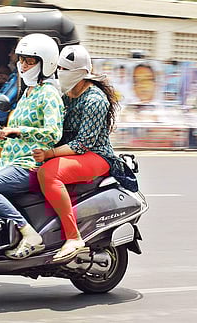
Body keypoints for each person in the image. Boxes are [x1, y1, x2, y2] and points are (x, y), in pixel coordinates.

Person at [0, 33, 64, 260]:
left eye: (29, 61)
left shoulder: (49, 95)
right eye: (21, 59)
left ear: (46, 64)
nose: (22, 65)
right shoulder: (27, 93)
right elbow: (12, 136)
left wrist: (19, 131)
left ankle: (29, 234)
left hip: (29, 164)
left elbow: (53, 134)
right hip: (7, 161)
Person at [31, 44, 122, 262]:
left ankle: (73, 237)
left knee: (49, 173)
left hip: (96, 155)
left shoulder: (94, 100)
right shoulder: (67, 95)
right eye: (59, 69)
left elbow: (83, 144)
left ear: (81, 74)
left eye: (65, 70)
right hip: (72, 153)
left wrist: (50, 154)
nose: (60, 74)